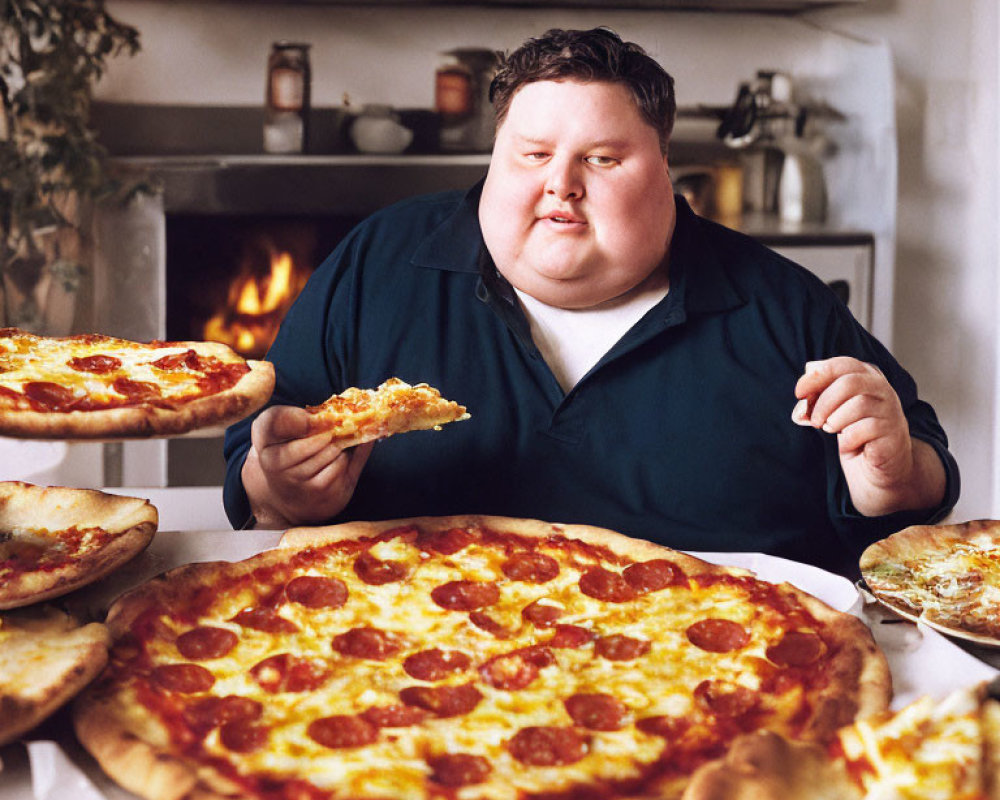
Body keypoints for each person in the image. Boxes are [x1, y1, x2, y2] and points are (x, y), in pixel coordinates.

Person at [223, 27, 958, 577]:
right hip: (391, 670)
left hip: (709, 688)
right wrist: (279, 490)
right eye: (533, 155)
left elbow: (917, 493)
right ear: (494, 158)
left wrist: (895, 476)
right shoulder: (379, 263)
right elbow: (258, 463)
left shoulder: (781, 305)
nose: (561, 185)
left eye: (602, 159)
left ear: (667, 167)